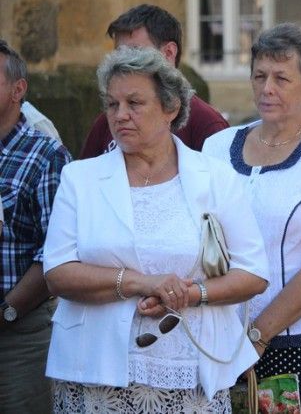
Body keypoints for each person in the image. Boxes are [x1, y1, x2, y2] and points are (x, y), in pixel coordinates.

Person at [42, 46, 269, 413]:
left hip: (192, 371)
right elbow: (57, 274)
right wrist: (142, 282)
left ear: (171, 107)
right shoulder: (79, 178)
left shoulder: (216, 177)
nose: (120, 115)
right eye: (112, 104)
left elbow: (254, 273)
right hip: (95, 370)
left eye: (134, 103)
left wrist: (189, 294)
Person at [203, 23, 301, 413]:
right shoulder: (216, 147)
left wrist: (258, 336)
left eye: (281, 78)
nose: (267, 88)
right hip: (219, 340)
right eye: (259, 76)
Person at [0, 39, 72, 413]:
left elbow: (57, 253)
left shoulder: (46, 156)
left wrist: (7, 311)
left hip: (19, 334)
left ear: (18, 90)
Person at [80, 4, 229, 158]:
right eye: (119, 54)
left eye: (134, 53)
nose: (123, 63)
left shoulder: (206, 124)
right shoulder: (109, 120)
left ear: (169, 53)